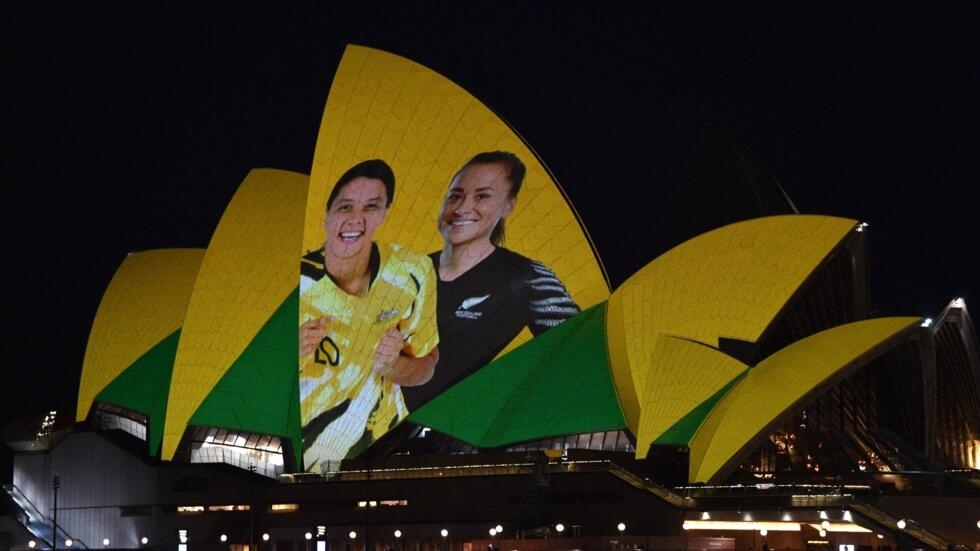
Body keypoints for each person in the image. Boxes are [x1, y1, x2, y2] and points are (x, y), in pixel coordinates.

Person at [401, 151, 579, 411]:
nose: (461, 208)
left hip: (449, 428)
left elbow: (579, 350)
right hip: (374, 426)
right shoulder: (408, 271)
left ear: (508, 206)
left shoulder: (526, 277)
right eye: (455, 196)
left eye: (482, 196)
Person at [298, 159, 439, 474]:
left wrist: (393, 366)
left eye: (371, 207)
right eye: (346, 207)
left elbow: (426, 365)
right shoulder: (296, 285)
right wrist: (288, 353)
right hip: (302, 456)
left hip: (383, 447)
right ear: (327, 216)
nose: (356, 219)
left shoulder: (412, 271)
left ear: (384, 213)